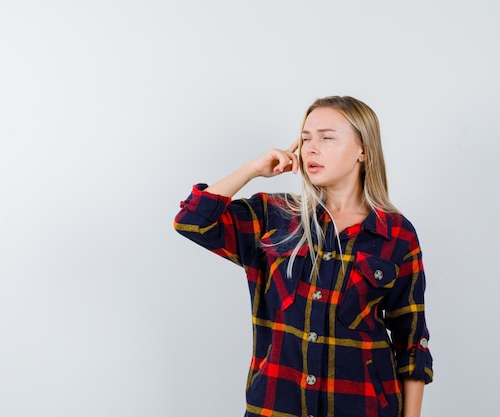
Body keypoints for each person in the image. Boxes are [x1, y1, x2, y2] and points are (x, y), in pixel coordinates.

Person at [174, 96, 433, 417]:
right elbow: (192, 221)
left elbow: (412, 340)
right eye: (306, 138)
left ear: (363, 150)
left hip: (363, 406)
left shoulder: (396, 234)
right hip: (276, 404)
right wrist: (252, 169)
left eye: (326, 137)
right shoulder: (275, 216)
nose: (310, 148)